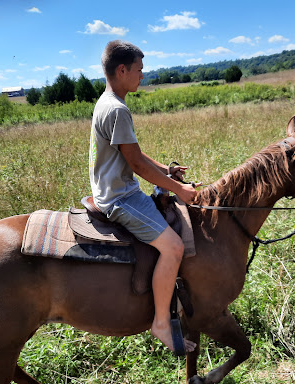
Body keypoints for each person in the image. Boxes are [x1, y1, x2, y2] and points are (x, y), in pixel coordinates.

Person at [89, 40, 198, 354]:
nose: (143, 75)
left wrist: (167, 169)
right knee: (174, 247)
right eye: (139, 70)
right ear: (122, 70)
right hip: (119, 198)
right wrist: (178, 189)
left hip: (112, 189)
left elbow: (132, 153)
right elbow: (135, 164)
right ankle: (161, 322)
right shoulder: (118, 110)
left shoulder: (107, 102)